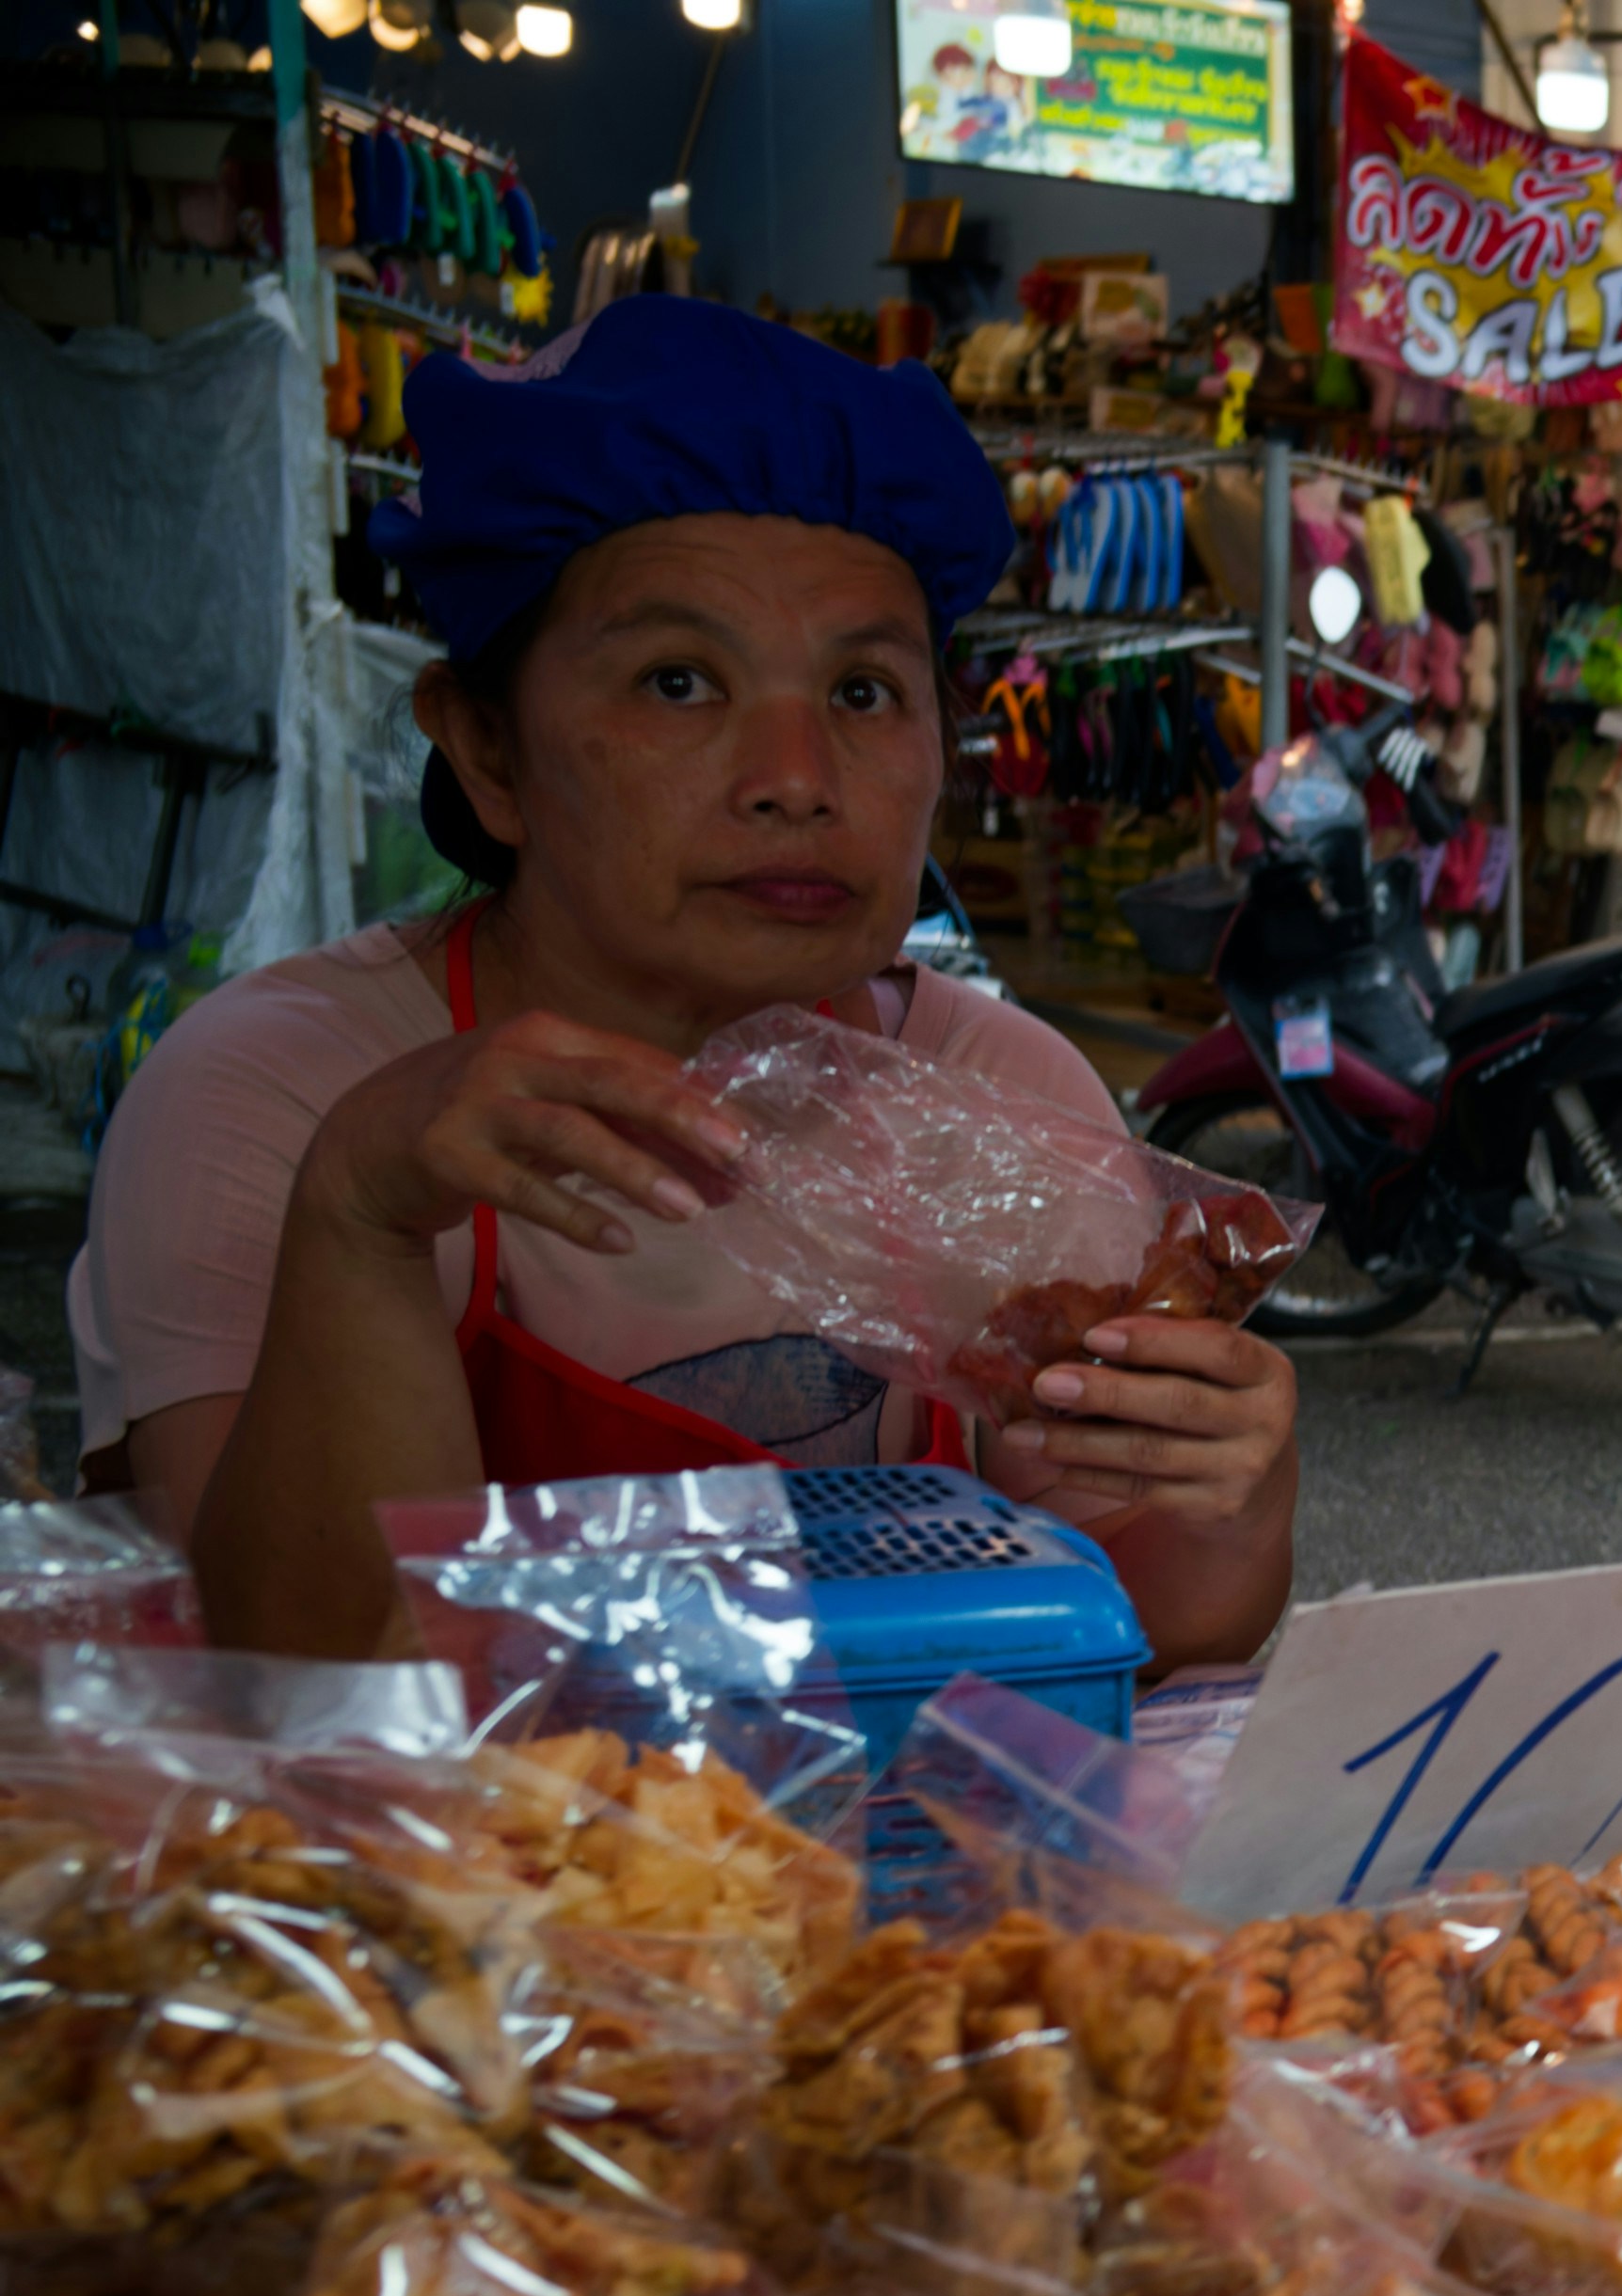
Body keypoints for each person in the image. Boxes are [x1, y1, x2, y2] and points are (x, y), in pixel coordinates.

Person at [75, 295, 1296, 1669]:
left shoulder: (1007, 1095)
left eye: (863, 695)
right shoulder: (285, 1092)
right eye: (677, 682)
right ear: (486, 750)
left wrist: (1232, 1486)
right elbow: (312, 1676)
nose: (795, 779)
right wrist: (359, 1212)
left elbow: (1153, 1632)